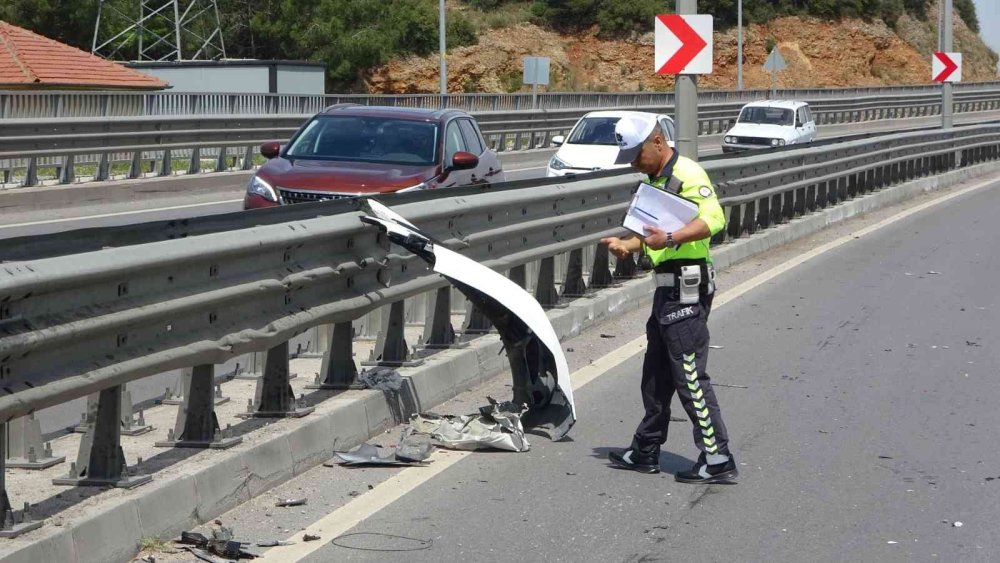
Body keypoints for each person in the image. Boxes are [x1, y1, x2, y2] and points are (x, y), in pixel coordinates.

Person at [601, 113, 738, 484]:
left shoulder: (687, 174)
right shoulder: (656, 179)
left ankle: (717, 457)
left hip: (687, 285)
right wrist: (628, 244)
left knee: (688, 374)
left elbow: (714, 219)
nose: (633, 163)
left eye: (637, 154)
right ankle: (646, 449)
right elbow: (656, 234)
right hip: (668, 287)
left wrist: (672, 239)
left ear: (658, 142)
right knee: (657, 372)